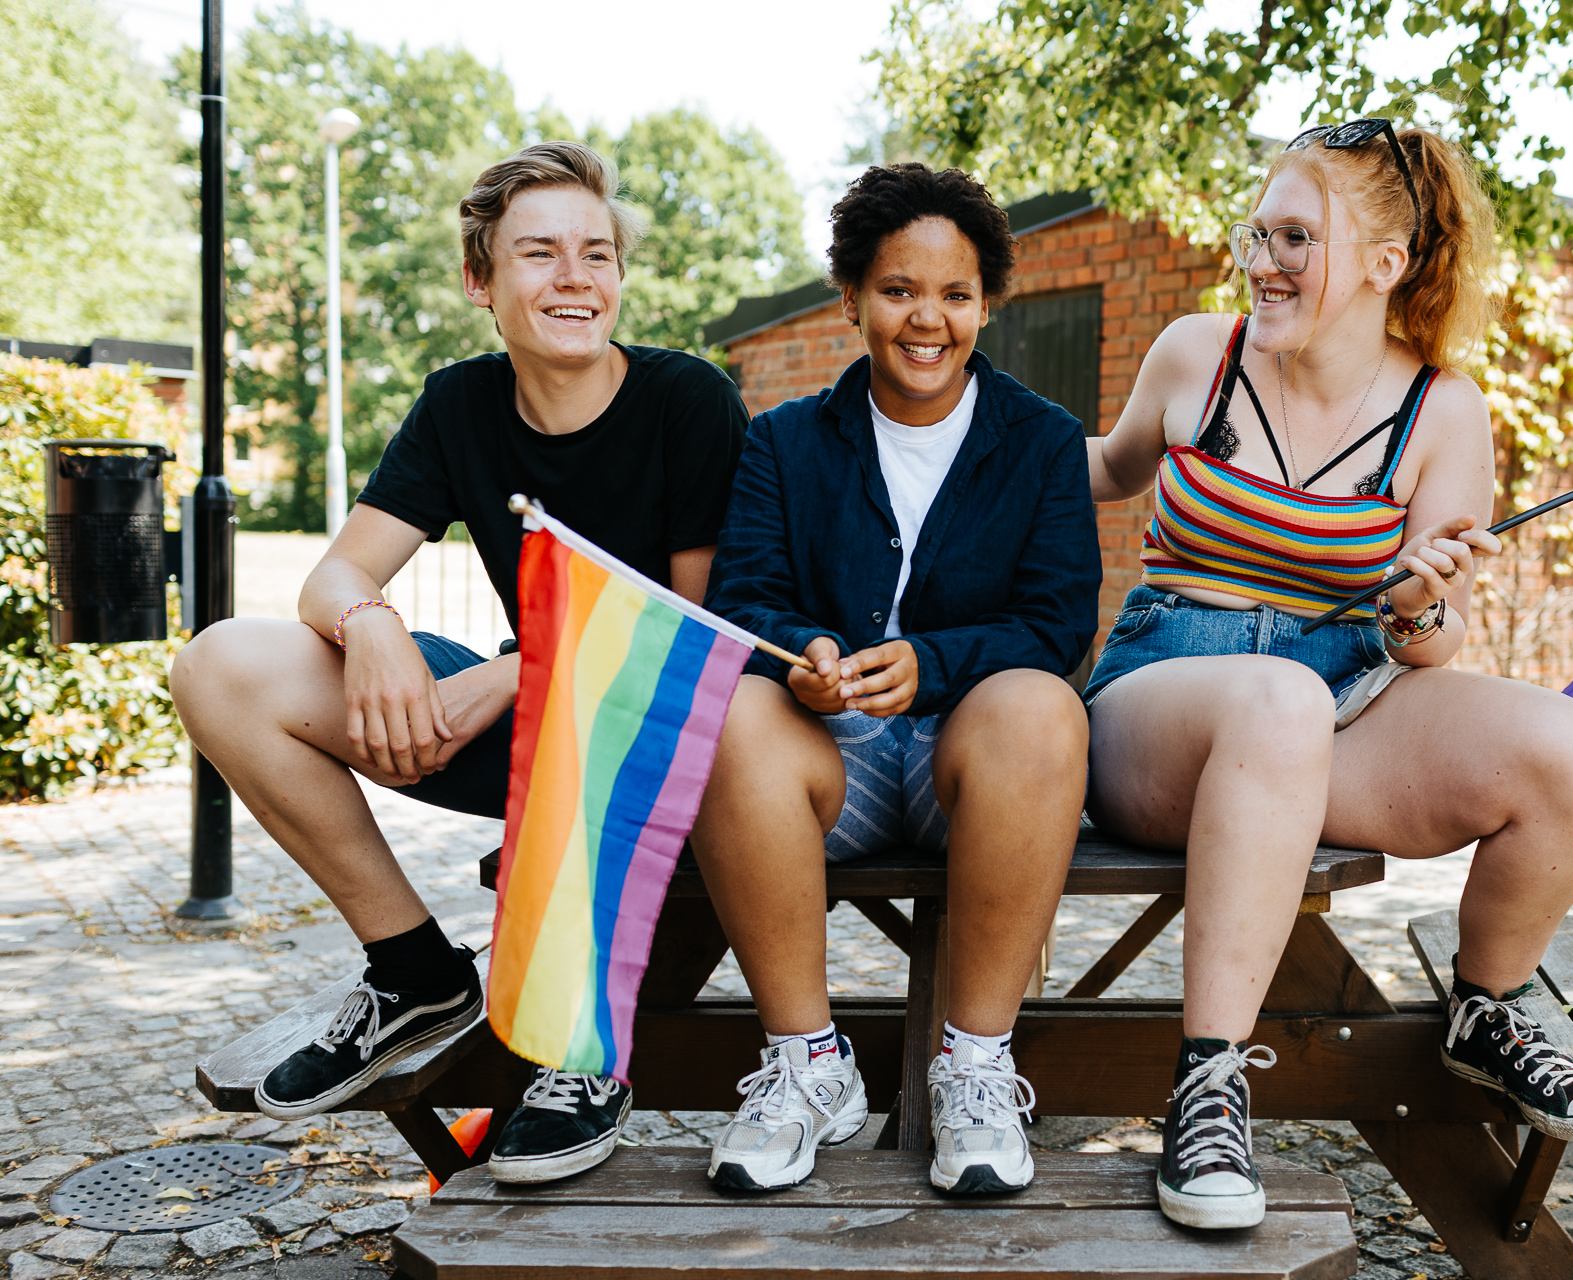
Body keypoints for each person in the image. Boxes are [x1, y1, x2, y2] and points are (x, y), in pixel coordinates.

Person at [1083, 119, 1573, 1231]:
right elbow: (1097, 470)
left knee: (1569, 748)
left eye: (1296, 236)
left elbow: (1434, 645)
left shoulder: (1444, 412)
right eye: (1259, 231)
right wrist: (961, 423)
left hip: (1338, 695)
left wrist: (1418, 599)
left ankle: (1488, 1007)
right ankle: (1208, 1080)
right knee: (1277, 701)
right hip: (1164, 697)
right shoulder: (1200, 354)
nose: (1262, 259)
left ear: (1384, 265)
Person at [170, 141, 748, 1185]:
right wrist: (374, 625)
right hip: (521, 715)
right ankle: (415, 970)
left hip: (662, 735)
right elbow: (336, 575)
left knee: (584, 709)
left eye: (598, 253)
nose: (576, 277)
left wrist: (513, 674)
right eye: (540, 253)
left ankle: (578, 1047)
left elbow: (692, 626)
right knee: (223, 664)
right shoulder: (458, 404)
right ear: (480, 279)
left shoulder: (689, 400)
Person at [696, 162, 1100, 1195]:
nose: (929, 318)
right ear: (852, 299)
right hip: (831, 761)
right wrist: (808, 657)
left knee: (1043, 705)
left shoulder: (1044, 440)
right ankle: (808, 1065)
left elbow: (1056, 624)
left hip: (979, 766)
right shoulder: (783, 440)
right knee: (732, 709)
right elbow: (743, 600)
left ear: (985, 303)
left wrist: (936, 663)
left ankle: (974, 1063)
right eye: (899, 290)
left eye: (956, 293)